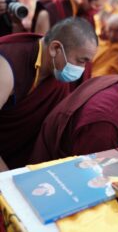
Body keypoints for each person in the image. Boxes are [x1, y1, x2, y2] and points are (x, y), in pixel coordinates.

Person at [0, 17, 98, 169]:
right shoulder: (7, 65)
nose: (83, 68)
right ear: (55, 49)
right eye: (81, 60)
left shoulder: (57, 73)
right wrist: (5, 178)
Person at [31, 0, 105, 35]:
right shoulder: (51, 11)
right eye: (95, 6)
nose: (95, 10)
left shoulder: (88, 17)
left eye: (99, 7)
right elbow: (40, 48)